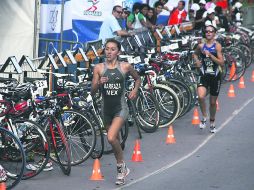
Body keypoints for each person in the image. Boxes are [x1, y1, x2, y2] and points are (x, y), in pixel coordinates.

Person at [91, 39, 141, 185]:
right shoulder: (98, 68)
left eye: (112, 49)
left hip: (120, 108)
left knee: (111, 138)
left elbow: (137, 79)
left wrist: (135, 89)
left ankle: (120, 169)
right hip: (105, 109)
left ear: (118, 52)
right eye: (107, 49)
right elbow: (93, 91)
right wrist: (98, 83)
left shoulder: (125, 66)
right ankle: (123, 166)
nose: (109, 52)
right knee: (115, 141)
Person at [193, 23, 224, 133]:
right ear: (205, 34)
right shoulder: (201, 46)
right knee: (201, 97)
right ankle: (204, 117)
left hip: (215, 77)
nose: (209, 32)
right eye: (207, 31)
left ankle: (212, 121)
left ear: (214, 33)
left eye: (211, 31)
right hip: (203, 75)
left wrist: (211, 55)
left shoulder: (217, 46)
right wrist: (197, 61)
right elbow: (195, 54)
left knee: (212, 102)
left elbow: (222, 63)